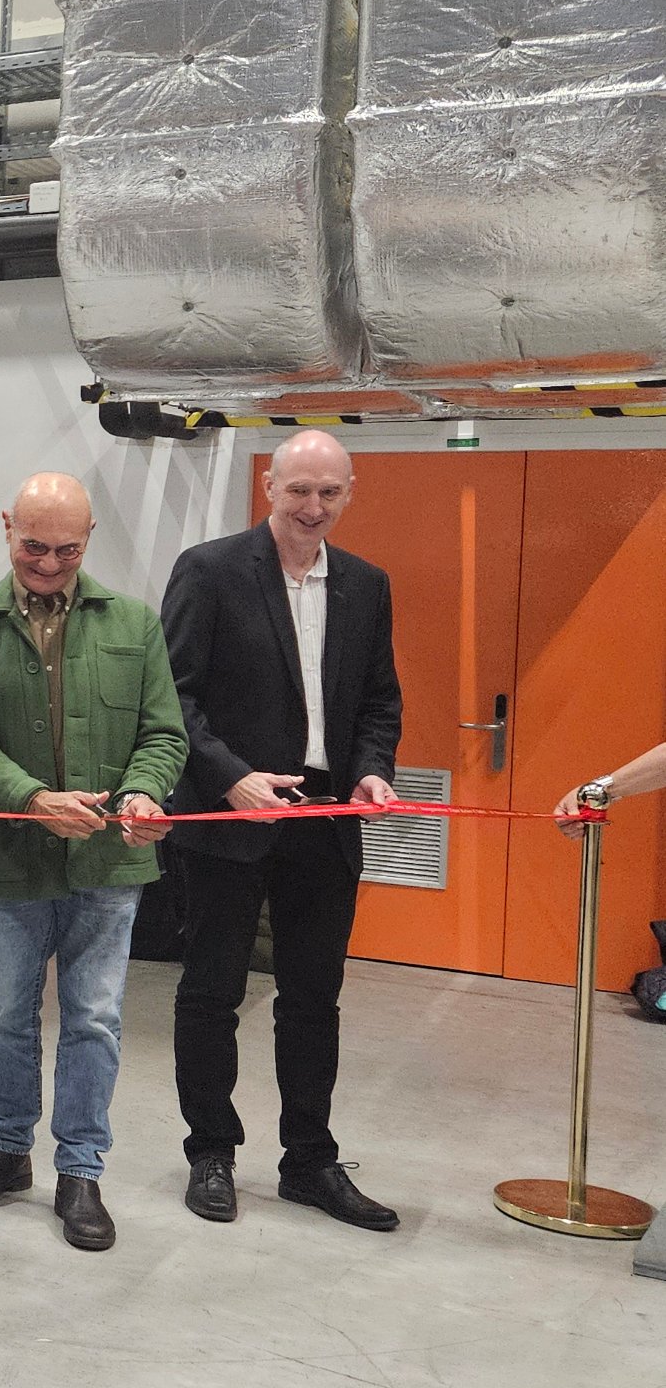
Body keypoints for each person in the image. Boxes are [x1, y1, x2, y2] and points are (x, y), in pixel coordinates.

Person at [0, 473, 186, 1252]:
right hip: (11, 862)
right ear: (8, 527)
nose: (47, 563)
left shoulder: (136, 625)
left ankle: (80, 1169)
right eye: (33, 546)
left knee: (95, 1020)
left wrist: (143, 794)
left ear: (88, 540)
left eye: (66, 549)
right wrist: (35, 797)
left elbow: (164, 734)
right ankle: (9, 1149)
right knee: (7, 1017)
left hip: (108, 868)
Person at [162, 430, 403, 1231]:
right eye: (298, 490)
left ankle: (309, 1160)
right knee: (211, 993)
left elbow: (377, 700)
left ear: (350, 491)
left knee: (313, 999)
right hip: (231, 816)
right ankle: (212, 1152)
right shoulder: (211, 569)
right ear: (269, 484)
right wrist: (231, 777)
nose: (312, 508)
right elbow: (175, 697)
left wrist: (372, 768)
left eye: (329, 493)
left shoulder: (366, 584)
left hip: (326, 821)